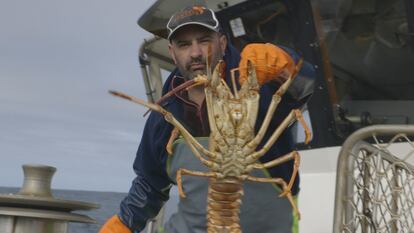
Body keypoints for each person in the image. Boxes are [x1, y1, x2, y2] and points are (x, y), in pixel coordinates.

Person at [100, 5, 315, 233]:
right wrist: (123, 224)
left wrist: (286, 64)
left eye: (204, 41)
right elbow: (150, 182)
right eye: (184, 44)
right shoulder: (166, 113)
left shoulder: (258, 81)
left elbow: (302, 90)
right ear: (172, 52)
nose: (195, 53)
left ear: (222, 43)